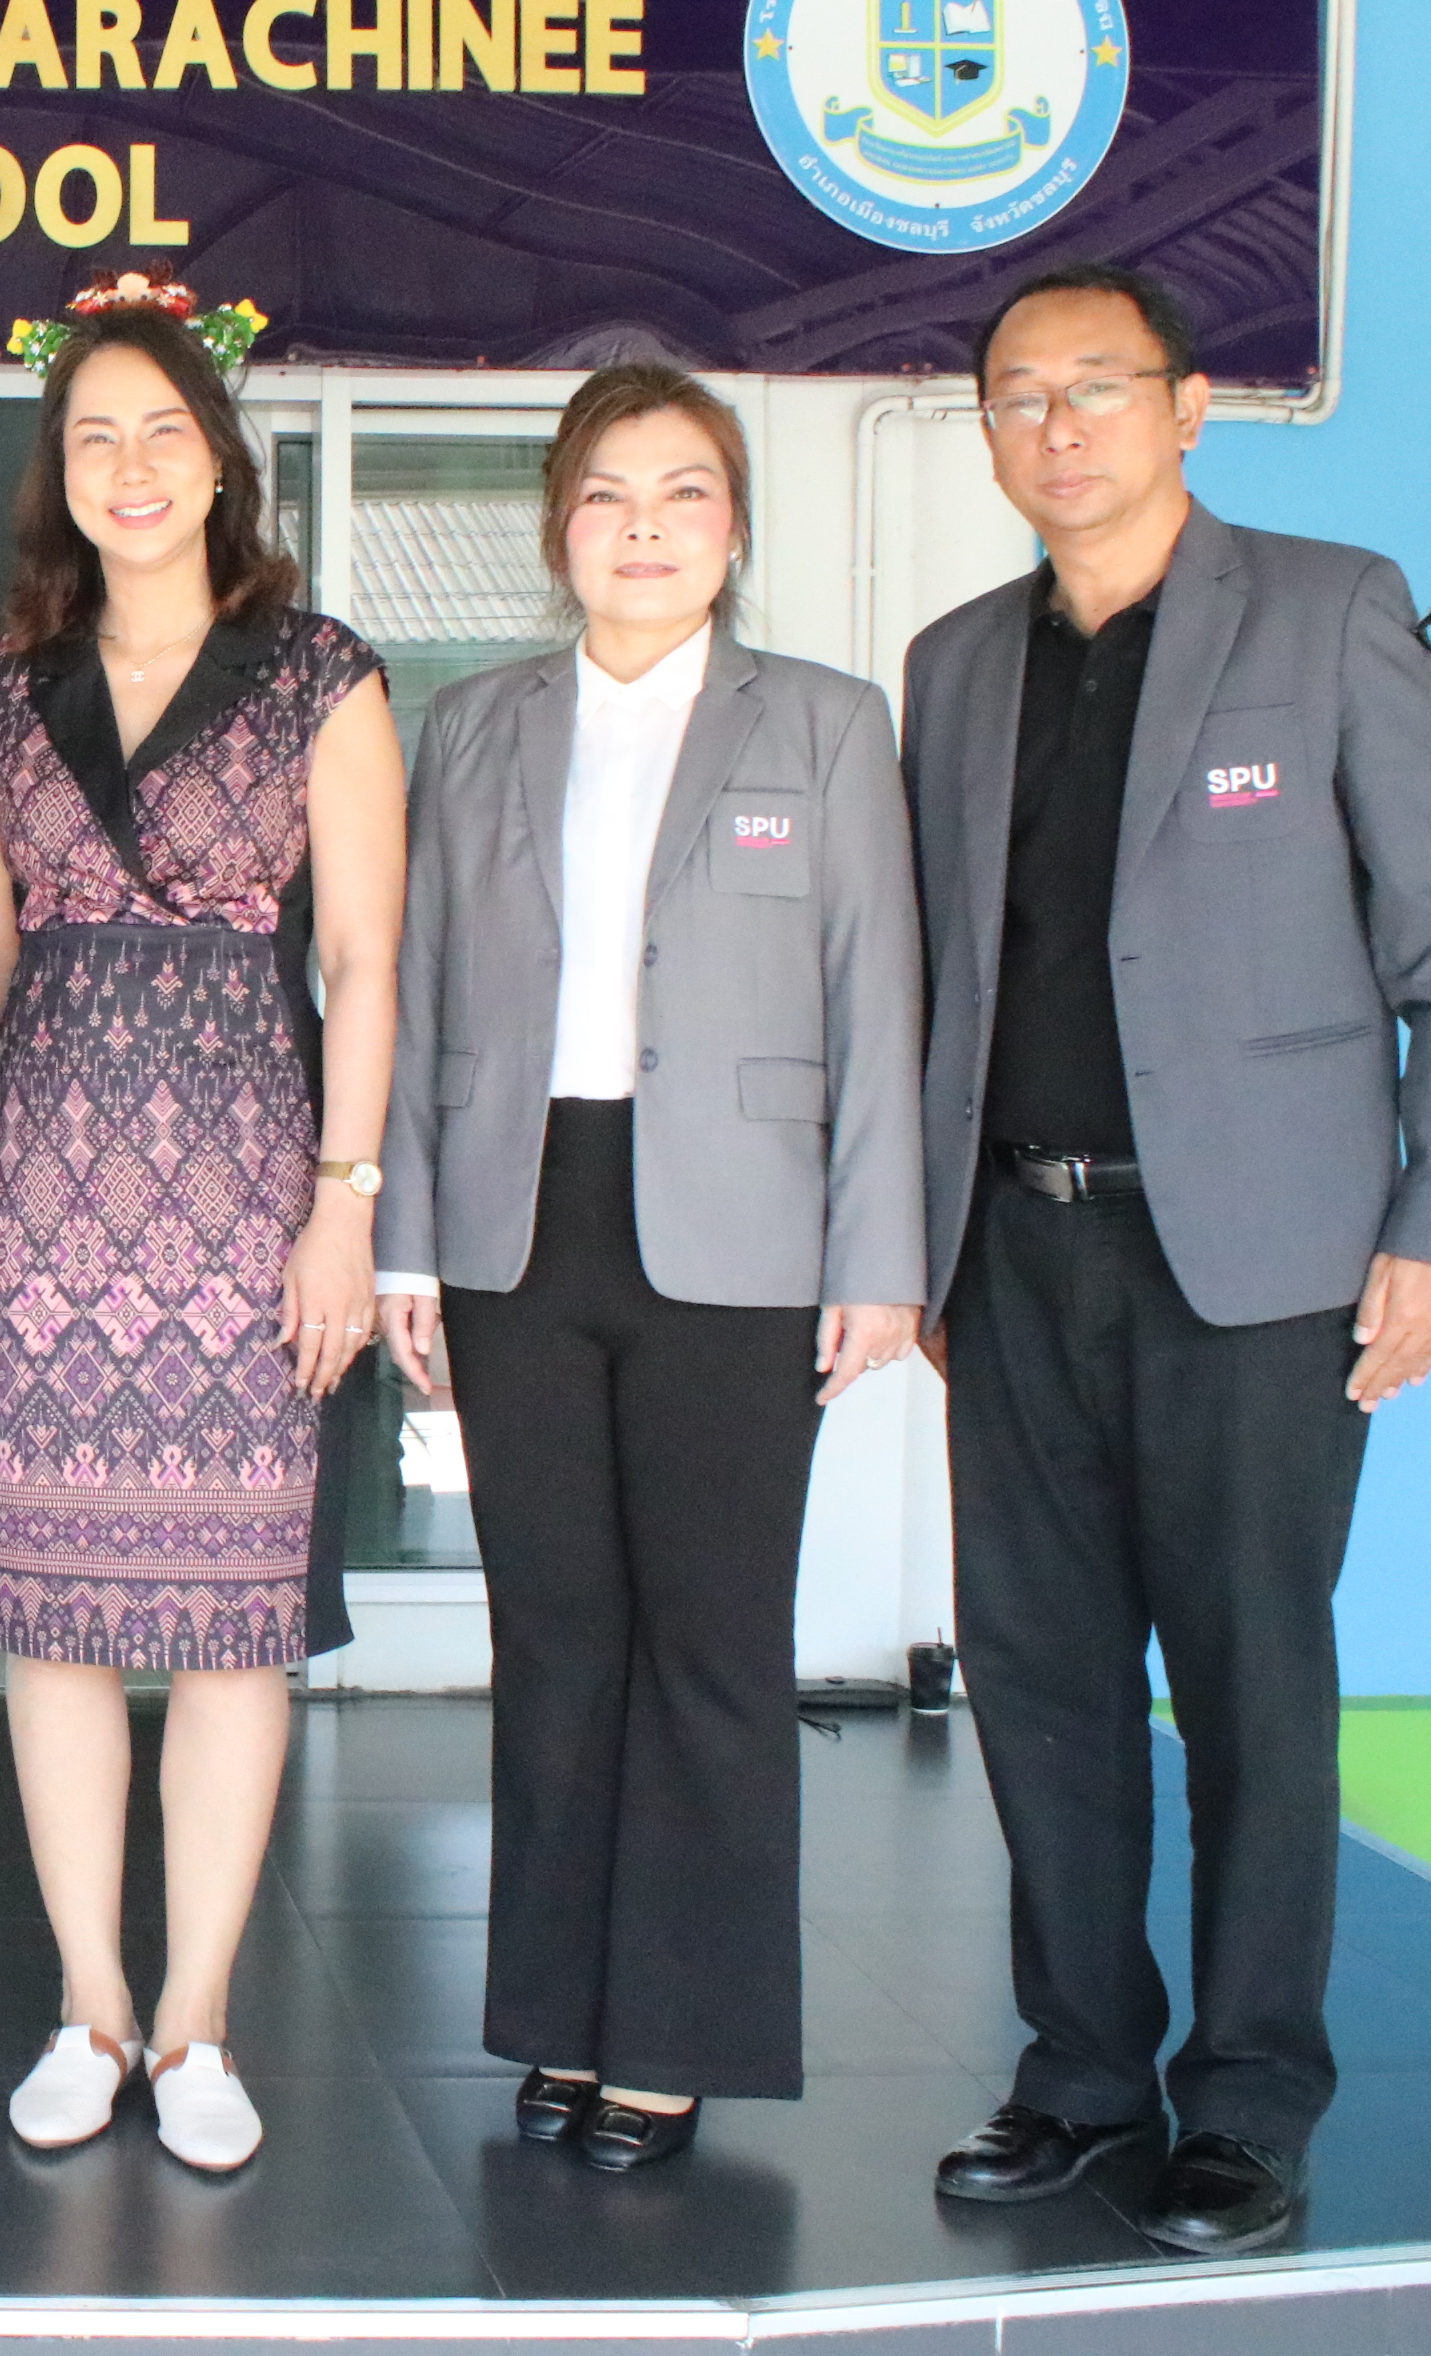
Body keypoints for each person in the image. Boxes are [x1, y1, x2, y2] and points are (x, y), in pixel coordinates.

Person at [907, 265, 1431, 2254]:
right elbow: (941, 977)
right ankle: (1084, 2074)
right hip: (1013, 1250)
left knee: (1254, 1684)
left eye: (1098, 386)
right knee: (1041, 1681)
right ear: (989, 431)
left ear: (1186, 411)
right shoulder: (955, 665)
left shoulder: (1328, 614)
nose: (1058, 424)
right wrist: (914, 1243)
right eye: (1020, 393)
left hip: (1259, 1264)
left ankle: (1249, 2101)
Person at [375, 364, 924, 2173]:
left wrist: (879, 1254)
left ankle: (675, 2037)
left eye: (683, 494)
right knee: (556, 1636)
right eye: (607, 495)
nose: (644, 528)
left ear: (733, 526)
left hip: (744, 1235)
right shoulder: (479, 724)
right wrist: (404, 1246)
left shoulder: (826, 723)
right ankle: (559, 2013)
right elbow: (416, 997)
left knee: (710, 1639)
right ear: (559, 528)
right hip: (518, 1218)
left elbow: (880, 999)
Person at [0, 286, 405, 2174]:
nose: (129, 467)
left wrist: (343, 1209)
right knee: (53, 1621)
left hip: (248, 1193)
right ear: (58, 476)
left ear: (219, 461)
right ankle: (92, 2005)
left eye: (161, 432)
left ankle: (201, 2018)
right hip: (42, 1195)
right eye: (93, 439)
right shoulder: (2, 687)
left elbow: (365, 960)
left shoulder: (318, 673)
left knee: (232, 1627)